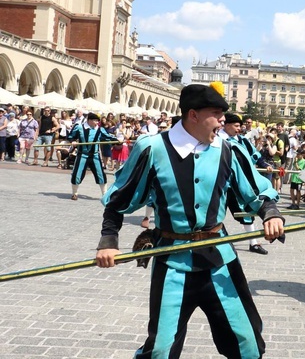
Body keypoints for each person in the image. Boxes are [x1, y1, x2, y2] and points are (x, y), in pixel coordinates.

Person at [95, 82, 284, 358]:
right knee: (160, 350)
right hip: (172, 262)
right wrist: (108, 240)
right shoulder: (152, 149)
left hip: (220, 263)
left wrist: (270, 213)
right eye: (217, 113)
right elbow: (118, 199)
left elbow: (256, 191)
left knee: (248, 344)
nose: (223, 120)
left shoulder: (228, 150)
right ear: (193, 115)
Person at [219, 112, 274, 255]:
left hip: (239, 184)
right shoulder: (218, 139)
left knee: (246, 211)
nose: (239, 129)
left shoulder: (242, 140)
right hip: (221, 184)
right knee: (215, 212)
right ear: (227, 125)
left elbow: (255, 154)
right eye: (236, 126)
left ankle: (253, 242)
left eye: (240, 126)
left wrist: (264, 163)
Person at [67, 113, 118, 200]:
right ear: (89, 120)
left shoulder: (100, 129)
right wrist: (73, 141)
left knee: (100, 174)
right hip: (82, 155)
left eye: (98, 121)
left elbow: (108, 137)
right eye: (95, 121)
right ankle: (74, 193)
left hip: (95, 156)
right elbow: (70, 136)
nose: (97, 123)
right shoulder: (79, 127)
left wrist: (117, 141)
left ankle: (104, 195)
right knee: (77, 174)